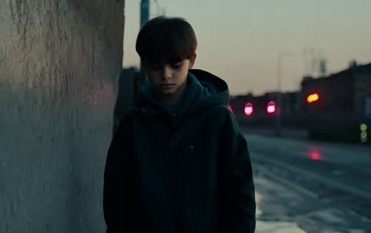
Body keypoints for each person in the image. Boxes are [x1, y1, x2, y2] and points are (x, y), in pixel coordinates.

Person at [103, 16, 256, 233]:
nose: (166, 75)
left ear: (192, 60)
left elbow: (240, 197)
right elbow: (116, 197)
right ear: (144, 64)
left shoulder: (218, 120)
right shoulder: (133, 124)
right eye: (156, 66)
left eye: (175, 65)